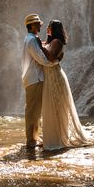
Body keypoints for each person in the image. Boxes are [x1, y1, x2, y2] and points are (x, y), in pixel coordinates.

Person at [40, 19, 88, 151]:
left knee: (56, 107)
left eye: (49, 27)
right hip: (50, 76)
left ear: (54, 29)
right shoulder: (50, 42)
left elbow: (51, 57)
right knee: (51, 107)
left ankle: (58, 138)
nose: (47, 29)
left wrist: (39, 46)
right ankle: (51, 137)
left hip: (55, 77)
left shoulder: (57, 42)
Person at [21, 13, 58, 149]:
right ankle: (31, 141)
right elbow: (41, 58)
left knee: (34, 111)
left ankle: (33, 139)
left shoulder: (30, 38)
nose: (39, 26)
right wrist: (55, 63)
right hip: (34, 78)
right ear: (31, 26)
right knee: (33, 112)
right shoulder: (31, 40)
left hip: (32, 78)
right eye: (37, 24)